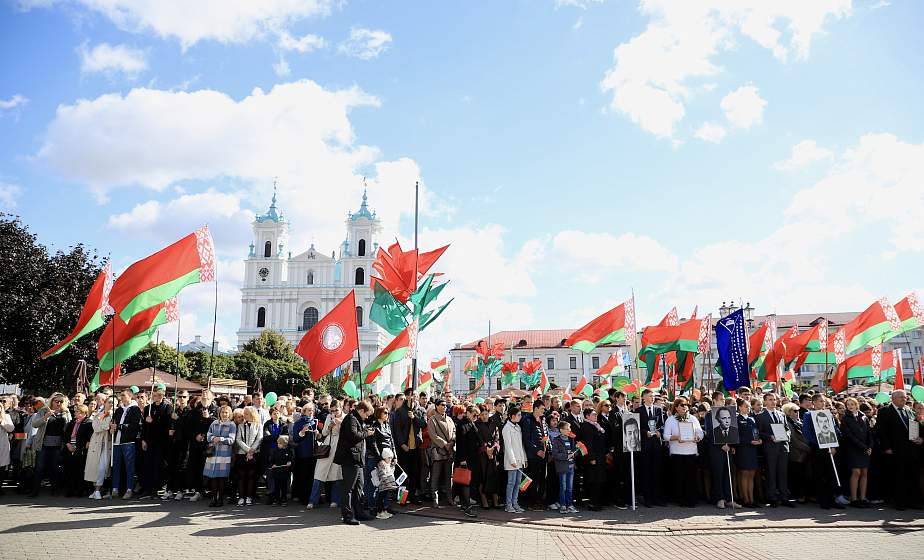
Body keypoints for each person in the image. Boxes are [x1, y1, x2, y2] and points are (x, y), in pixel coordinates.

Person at [875, 389, 923, 510]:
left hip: (911, 450)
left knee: (912, 475)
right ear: (893, 398)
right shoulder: (885, 411)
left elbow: (914, 428)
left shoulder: (909, 411)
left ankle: (913, 501)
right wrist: (886, 447)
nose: (904, 399)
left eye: (905, 397)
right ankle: (900, 502)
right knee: (899, 476)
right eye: (901, 397)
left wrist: (920, 438)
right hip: (895, 450)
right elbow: (881, 431)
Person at [334, 399, 376, 525]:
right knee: (349, 488)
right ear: (361, 411)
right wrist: (367, 433)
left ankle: (359, 512)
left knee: (359, 487)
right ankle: (347, 515)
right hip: (350, 459)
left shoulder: (357, 419)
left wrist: (365, 430)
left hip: (357, 459)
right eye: (366, 414)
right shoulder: (351, 419)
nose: (367, 417)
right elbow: (354, 435)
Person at [662, 397, 704, 507]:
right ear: (676, 407)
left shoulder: (693, 419)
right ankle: (680, 499)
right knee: (679, 477)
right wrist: (677, 437)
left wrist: (698, 437)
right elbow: (665, 436)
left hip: (691, 452)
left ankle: (691, 499)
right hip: (677, 453)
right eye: (682, 405)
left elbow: (700, 433)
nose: (685, 407)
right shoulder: (670, 420)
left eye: (686, 405)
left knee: (691, 477)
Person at [802, 397, 843, 509]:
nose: (823, 403)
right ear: (814, 402)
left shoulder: (828, 414)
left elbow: (834, 429)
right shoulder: (808, 415)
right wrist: (820, 443)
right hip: (817, 448)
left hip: (831, 447)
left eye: (824, 401)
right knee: (820, 474)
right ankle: (822, 500)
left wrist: (834, 444)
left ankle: (831, 499)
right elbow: (807, 432)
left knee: (831, 474)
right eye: (821, 401)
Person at [29, 393, 71, 496]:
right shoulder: (43, 410)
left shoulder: (65, 412)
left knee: (54, 468)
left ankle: (55, 490)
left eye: (61, 401)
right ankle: (35, 490)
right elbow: (34, 424)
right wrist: (45, 417)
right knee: (39, 468)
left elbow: (68, 428)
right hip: (43, 444)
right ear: (52, 401)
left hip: (57, 445)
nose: (59, 403)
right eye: (57, 401)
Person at [390, 391, 427, 505]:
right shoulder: (400, 411)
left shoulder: (421, 410)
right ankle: (402, 497)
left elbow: (424, 424)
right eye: (412, 395)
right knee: (403, 473)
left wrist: (414, 417)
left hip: (416, 446)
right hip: (404, 447)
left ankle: (413, 495)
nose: (414, 397)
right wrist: (402, 443)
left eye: (416, 395)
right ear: (407, 397)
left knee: (415, 473)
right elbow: (397, 429)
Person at [757, 393, 793, 507]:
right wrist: (770, 437)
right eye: (770, 400)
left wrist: (787, 435)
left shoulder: (781, 414)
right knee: (771, 473)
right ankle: (772, 497)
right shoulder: (760, 416)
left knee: (783, 473)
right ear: (765, 402)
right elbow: (759, 432)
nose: (773, 402)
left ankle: (784, 497)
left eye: (774, 399)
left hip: (783, 447)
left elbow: (787, 429)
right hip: (770, 448)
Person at [309, 400, 343, 510]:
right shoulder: (329, 417)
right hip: (328, 446)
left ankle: (335, 500)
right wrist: (329, 427)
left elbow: (348, 432)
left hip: (339, 447)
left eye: (336, 410)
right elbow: (324, 433)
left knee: (337, 475)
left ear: (341, 408)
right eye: (332, 411)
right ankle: (312, 501)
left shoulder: (346, 417)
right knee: (319, 474)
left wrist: (340, 423)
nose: (334, 412)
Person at [635, 389, 666, 507]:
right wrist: (645, 432)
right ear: (643, 398)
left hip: (656, 444)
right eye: (649, 396)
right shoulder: (638, 411)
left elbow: (662, 425)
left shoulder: (658, 409)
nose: (652, 398)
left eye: (653, 396)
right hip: (645, 445)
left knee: (657, 471)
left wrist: (659, 431)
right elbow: (637, 427)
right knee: (646, 472)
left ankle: (657, 498)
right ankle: (647, 498)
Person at [841, 396, 872, 507]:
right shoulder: (845, 418)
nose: (850, 406)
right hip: (853, 448)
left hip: (865, 448)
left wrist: (870, 446)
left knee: (864, 472)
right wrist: (863, 447)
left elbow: (869, 433)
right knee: (856, 472)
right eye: (848, 404)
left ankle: (862, 498)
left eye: (852, 404)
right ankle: (854, 499)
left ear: (856, 405)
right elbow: (849, 435)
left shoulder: (864, 417)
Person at [204, 405, 237, 507]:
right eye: (222, 412)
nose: (224, 414)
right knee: (213, 477)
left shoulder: (232, 425)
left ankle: (220, 499)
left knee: (221, 477)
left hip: (224, 454)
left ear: (229, 414)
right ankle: (214, 498)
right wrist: (213, 438)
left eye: (226, 412)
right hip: (213, 454)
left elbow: (231, 440)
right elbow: (208, 435)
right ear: (219, 413)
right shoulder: (214, 423)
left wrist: (221, 439)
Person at [110, 390, 140, 499]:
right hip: (116, 442)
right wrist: (111, 427)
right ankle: (115, 488)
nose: (121, 397)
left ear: (130, 396)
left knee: (129, 467)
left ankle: (129, 489)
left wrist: (119, 426)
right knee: (116, 466)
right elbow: (113, 422)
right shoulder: (118, 409)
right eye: (120, 395)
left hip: (128, 441)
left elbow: (134, 425)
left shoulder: (135, 409)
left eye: (123, 395)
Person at [426, 399, 456, 508]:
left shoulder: (450, 419)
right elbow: (433, 435)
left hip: (449, 451)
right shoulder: (432, 420)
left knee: (448, 477)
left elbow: (454, 432)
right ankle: (435, 499)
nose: (444, 407)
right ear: (437, 406)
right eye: (442, 405)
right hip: (438, 451)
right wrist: (444, 444)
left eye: (445, 405)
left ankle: (450, 498)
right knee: (435, 476)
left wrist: (452, 442)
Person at [520, 400, 548, 511]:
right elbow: (526, 440)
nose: (544, 411)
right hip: (533, 456)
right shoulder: (527, 420)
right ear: (536, 408)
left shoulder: (543, 419)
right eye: (542, 409)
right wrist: (537, 451)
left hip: (544, 455)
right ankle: (532, 502)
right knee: (532, 479)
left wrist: (548, 450)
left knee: (542, 479)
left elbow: (546, 436)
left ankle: (539, 501)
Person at [577, 408, 608, 511]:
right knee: (594, 480)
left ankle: (597, 502)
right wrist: (592, 458)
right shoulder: (586, 427)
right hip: (593, 458)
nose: (596, 416)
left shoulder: (596, 425)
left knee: (599, 480)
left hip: (600, 456)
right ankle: (593, 503)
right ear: (587, 416)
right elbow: (588, 444)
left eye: (595, 414)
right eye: (593, 415)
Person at [454, 405, 482, 517]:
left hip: (472, 457)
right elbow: (461, 444)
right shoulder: (462, 425)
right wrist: (462, 460)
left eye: (477, 416)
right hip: (465, 458)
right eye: (474, 415)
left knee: (466, 482)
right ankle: (467, 506)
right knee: (466, 482)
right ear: (468, 413)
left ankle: (464, 504)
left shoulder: (471, 423)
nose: (476, 418)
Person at [364, 406, 394, 510]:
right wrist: (380, 459)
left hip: (388, 457)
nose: (387, 415)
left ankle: (384, 505)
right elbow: (373, 444)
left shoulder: (387, 425)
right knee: (374, 482)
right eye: (385, 412)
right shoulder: (374, 426)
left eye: (388, 413)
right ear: (379, 413)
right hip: (375, 458)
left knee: (386, 483)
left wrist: (394, 456)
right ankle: (371, 505)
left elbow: (391, 441)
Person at [84, 394, 113, 499]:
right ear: (105, 403)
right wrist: (107, 426)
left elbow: (112, 430)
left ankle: (97, 490)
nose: (111, 404)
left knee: (102, 468)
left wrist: (109, 427)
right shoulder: (100, 414)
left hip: (107, 444)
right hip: (96, 444)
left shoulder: (114, 415)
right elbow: (96, 427)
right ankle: (96, 490)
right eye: (109, 402)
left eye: (113, 403)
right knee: (95, 467)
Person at [734, 398, 761, 507]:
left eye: (749, 406)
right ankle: (745, 499)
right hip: (743, 449)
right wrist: (749, 441)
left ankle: (751, 499)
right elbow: (736, 437)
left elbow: (756, 433)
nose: (748, 408)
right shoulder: (737, 419)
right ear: (740, 407)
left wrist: (759, 440)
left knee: (752, 473)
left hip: (752, 450)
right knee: (744, 473)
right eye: (746, 406)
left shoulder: (751, 419)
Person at [62, 404, 93, 497]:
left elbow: (90, 436)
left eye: (77, 411)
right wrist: (68, 444)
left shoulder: (88, 423)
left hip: (81, 449)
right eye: (75, 411)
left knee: (79, 470)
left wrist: (85, 444)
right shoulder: (72, 423)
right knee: (69, 470)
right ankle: (70, 489)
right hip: (69, 449)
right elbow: (65, 435)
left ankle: (80, 490)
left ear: (83, 413)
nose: (75, 413)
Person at [234, 406, 262, 506]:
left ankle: (249, 497)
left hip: (254, 454)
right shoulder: (241, 425)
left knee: (251, 475)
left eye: (246, 413)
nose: (244, 415)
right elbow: (238, 439)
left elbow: (259, 438)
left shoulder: (258, 425)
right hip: (242, 454)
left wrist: (252, 450)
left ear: (251, 414)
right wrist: (247, 449)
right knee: (241, 475)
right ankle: (241, 497)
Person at [290, 403, 317, 505]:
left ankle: (312, 497)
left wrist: (318, 434)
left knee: (312, 476)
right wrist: (302, 432)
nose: (311, 412)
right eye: (309, 410)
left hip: (314, 453)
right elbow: (296, 438)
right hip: (303, 454)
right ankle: (304, 497)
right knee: (303, 476)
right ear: (304, 411)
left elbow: (318, 437)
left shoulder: (314, 421)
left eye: (312, 410)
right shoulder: (299, 423)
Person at [502, 407, 527, 513]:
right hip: (511, 461)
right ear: (512, 416)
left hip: (520, 460)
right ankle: (508, 505)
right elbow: (508, 446)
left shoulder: (518, 427)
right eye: (519, 415)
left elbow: (521, 445)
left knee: (518, 482)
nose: (520, 417)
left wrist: (524, 459)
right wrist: (512, 460)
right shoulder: (506, 428)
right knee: (511, 482)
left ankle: (515, 503)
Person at [550, 420, 577, 514]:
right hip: (562, 467)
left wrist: (575, 452)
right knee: (563, 487)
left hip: (571, 466)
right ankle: (563, 505)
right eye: (567, 428)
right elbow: (555, 454)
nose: (569, 430)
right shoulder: (556, 440)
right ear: (561, 430)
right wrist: (566, 456)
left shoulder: (571, 439)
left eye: (569, 428)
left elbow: (574, 450)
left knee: (570, 487)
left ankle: (570, 505)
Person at [372, 447, 398, 519]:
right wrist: (388, 484)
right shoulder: (382, 464)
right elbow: (383, 475)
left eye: (391, 458)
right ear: (385, 457)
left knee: (383, 498)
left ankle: (383, 511)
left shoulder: (387, 464)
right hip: (383, 486)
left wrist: (393, 466)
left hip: (387, 486)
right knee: (381, 499)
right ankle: (379, 512)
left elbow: (390, 472)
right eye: (389, 458)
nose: (390, 459)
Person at [267, 435, 293, 506]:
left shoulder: (289, 451)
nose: (278, 445)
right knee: (277, 487)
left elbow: (291, 459)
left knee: (284, 487)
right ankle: (277, 499)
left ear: (284, 444)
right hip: (276, 472)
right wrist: (273, 464)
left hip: (285, 472)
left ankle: (284, 499)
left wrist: (289, 462)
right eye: (278, 443)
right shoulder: (275, 451)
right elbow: (271, 459)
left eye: (280, 443)